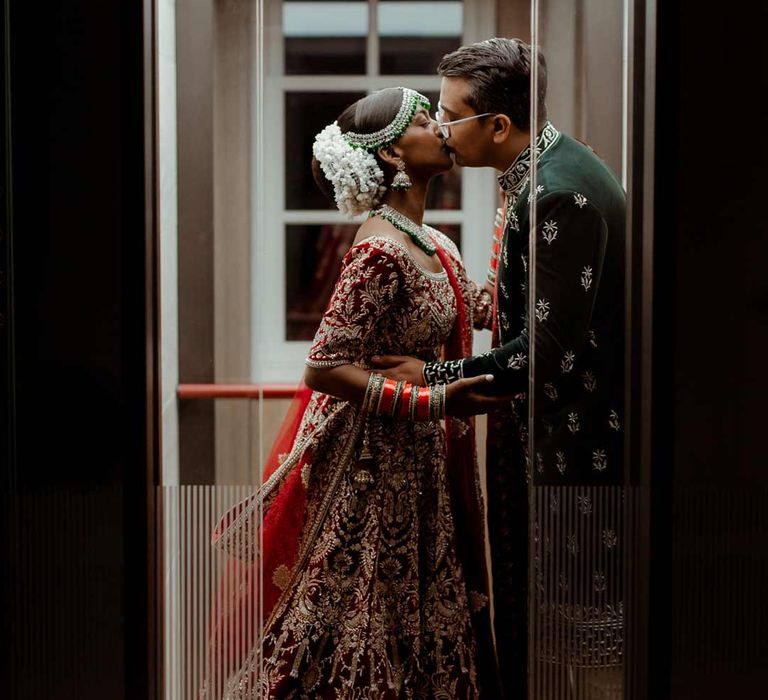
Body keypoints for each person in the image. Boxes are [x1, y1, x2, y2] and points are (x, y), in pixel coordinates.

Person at [206, 86, 503, 699]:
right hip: (372, 467)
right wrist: (437, 400)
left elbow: (486, 307)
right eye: (426, 121)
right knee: (357, 613)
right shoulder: (377, 251)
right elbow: (324, 368)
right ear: (393, 154)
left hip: (419, 467)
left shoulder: (434, 242)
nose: (441, 128)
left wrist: (515, 199)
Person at [372, 38, 627, 697]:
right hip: (542, 438)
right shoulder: (540, 173)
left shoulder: (558, 196)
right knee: (550, 632)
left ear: (497, 127)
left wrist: (429, 377)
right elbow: (526, 303)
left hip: (573, 452)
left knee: (586, 640)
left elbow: (543, 351)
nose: (440, 127)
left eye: (448, 114)